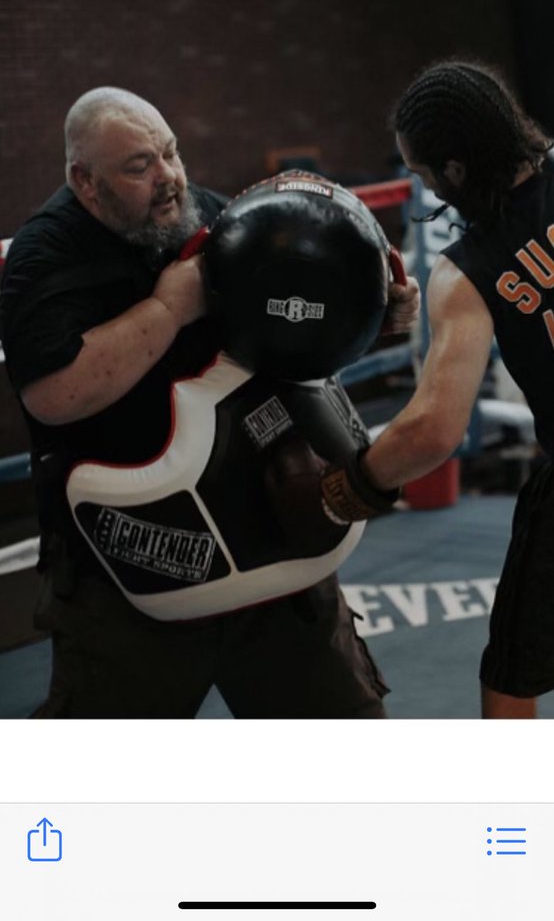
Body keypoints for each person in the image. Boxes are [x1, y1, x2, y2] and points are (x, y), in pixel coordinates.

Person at [0, 86, 418, 719]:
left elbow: (292, 333)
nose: (169, 177)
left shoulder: (216, 218)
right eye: (140, 166)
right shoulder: (47, 256)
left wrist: (369, 320)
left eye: (170, 153)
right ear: (85, 182)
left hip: (271, 543)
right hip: (131, 566)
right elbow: (55, 395)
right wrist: (169, 310)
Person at [352, 60, 554, 719]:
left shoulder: (467, 271)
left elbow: (434, 430)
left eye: (424, 173)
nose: (424, 188)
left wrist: (346, 486)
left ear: (456, 171)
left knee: (511, 679)